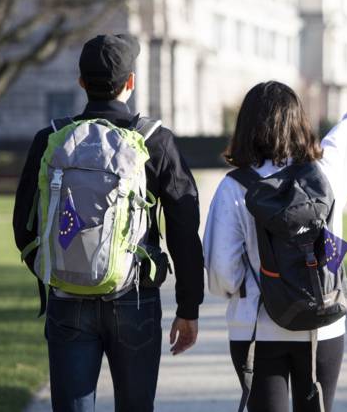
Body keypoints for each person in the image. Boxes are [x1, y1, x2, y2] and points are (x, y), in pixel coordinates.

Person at [12, 34, 204, 412]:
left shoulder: (50, 139)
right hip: (134, 298)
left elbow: (25, 227)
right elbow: (183, 231)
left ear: (81, 82)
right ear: (130, 82)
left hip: (67, 299)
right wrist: (189, 307)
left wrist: (54, 266)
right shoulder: (156, 141)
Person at [203, 81, 347, 412]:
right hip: (323, 321)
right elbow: (345, 139)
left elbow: (220, 271)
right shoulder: (325, 173)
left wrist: (242, 291)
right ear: (300, 121)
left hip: (257, 327)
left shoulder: (234, 187)